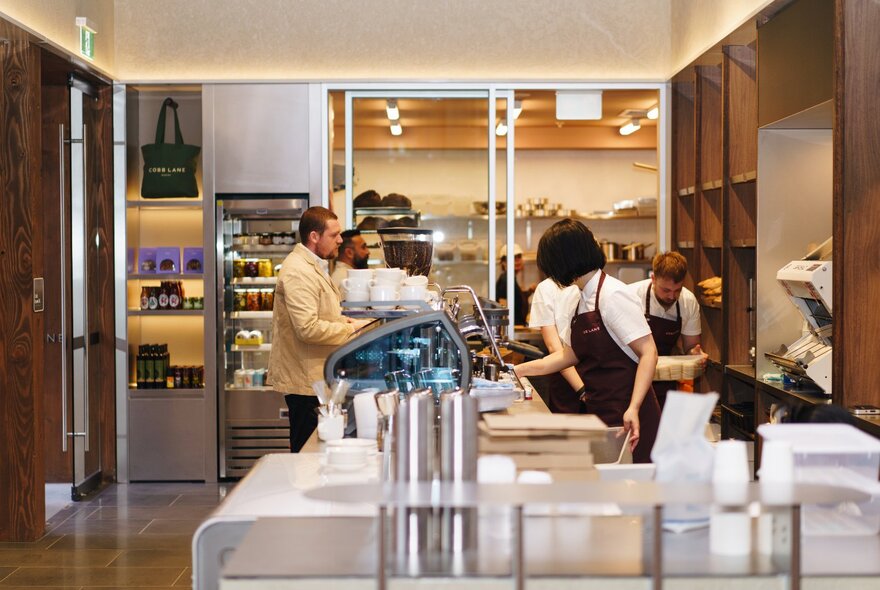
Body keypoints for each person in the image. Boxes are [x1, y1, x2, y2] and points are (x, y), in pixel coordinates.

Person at [513, 219, 660, 463]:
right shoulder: (578, 298)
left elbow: (648, 352)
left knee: (634, 490)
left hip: (630, 416)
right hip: (601, 411)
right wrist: (519, 370)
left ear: (564, 260)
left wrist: (633, 406)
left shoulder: (613, 295)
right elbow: (568, 355)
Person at [268, 206, 370, 452]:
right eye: (334, 235)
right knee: (307, 452)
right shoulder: (297, 271)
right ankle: (303, 492)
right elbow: (308, 328)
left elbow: (323, 313)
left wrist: (343, 321)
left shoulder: (313, 266)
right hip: (305, 381)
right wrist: (352, 329)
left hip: (317, 376)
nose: (340, 240)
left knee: (318, 451)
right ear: (314, 237)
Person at [625, 251, 706, 410]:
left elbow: (691, 346)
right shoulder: (631, 296)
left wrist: (696, 355)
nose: (671, 296)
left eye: (677, 290)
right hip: (631, 378)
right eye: (666, 290)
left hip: (665, 378)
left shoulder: (688, 302)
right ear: (653, 278)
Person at [528, 269, 584, 413]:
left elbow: (555, 348)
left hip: (589, 378)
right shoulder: (547, 288)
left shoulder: (589, 284)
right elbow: (555, 348)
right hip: (566, 377)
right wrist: (582, 389)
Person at [495, 243, 532, 325]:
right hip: (511, 327)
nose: (517, 260)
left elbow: (516, 299)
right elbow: (504, 308)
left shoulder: (510, 278)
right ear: (504, 262)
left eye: (519, 256)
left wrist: (530, 291)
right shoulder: (506, 280)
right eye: (512, 257)